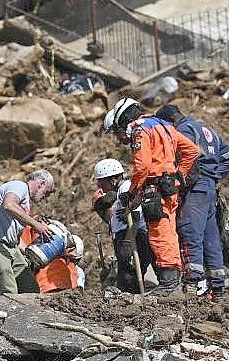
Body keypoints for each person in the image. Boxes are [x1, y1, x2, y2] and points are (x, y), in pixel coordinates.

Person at [104, 97, 199, 296]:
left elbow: (143, 166)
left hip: (154, 190)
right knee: (170, 233)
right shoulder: (164, 125)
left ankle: (168, 284)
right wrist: (178, 176)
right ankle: (172, 281)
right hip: (169, 189)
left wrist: (133, 192)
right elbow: (192, 151)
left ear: (123, 120)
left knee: (159, 235)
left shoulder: (140, 130)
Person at [156, 104, 229, 298]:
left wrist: (181, 181)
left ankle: (192, 285)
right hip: (210, 189)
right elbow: (226, 154)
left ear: (169, 121)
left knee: (190, 234)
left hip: (196, 189)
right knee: (211, 238)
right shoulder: (207, 130)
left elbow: (189, 157)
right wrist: (215, 175)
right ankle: (218, 287)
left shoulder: (183, 130)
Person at [0, 170, 56, 295]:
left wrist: (32, 251)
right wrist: (36, 224)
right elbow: (9, 205)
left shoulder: (25, 203)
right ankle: (6, 312)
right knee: (8, 287)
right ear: (41, 184)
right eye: (47, 192)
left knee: (30, 288)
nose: (47, 197)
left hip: (9, 247)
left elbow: (15, 239)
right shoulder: (19, 186)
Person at [91, 158, 153, 294]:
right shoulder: (119, 192)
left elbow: (135, 217)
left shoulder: (126, 188)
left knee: (129, 275)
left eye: (101, 182)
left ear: (112, 180)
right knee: (124, 275)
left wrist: (127, 242)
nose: (100, 187)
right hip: (126, 236)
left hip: (132, 236)